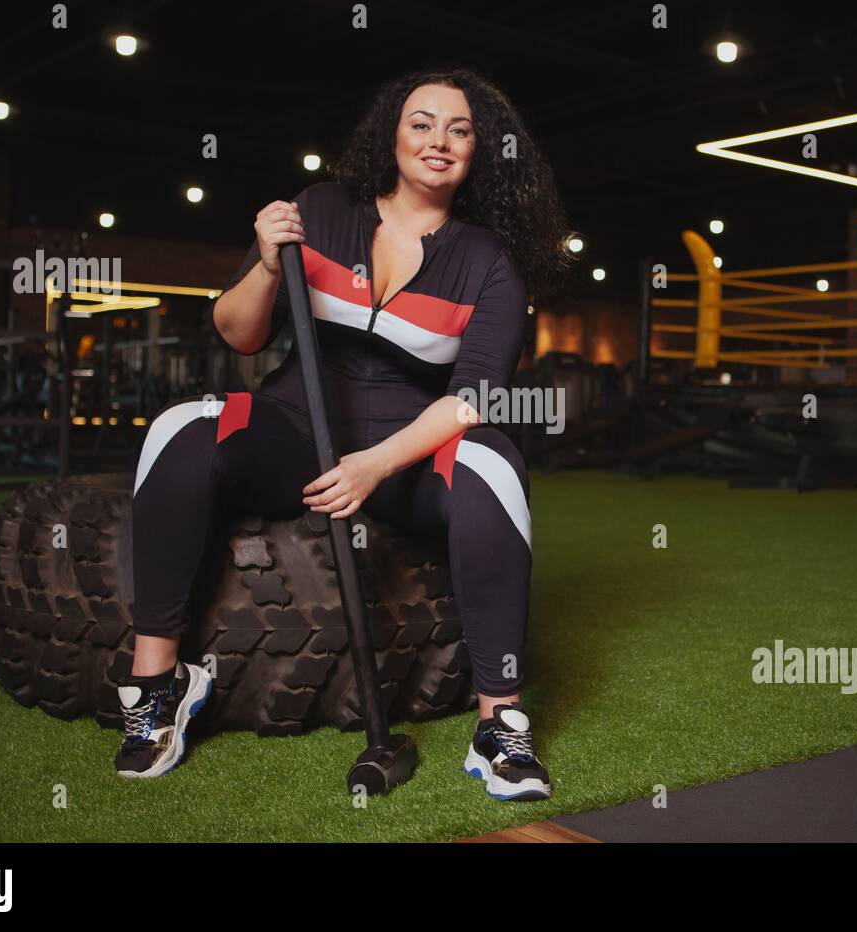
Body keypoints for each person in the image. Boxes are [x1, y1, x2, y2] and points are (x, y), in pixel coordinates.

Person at [115, 68, 572, 801]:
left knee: (492, 465)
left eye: (460, 130)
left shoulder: (489, 263)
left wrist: (374, 465)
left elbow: (473, 398)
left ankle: (501, 726)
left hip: (408, 452)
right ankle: (156, 686)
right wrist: (267, 262)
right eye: (422, 122)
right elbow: (237, 332)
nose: (439, 141)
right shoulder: (320, 210)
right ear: (390, 132)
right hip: (295, 426)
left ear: (480, 151)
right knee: (182, 426)